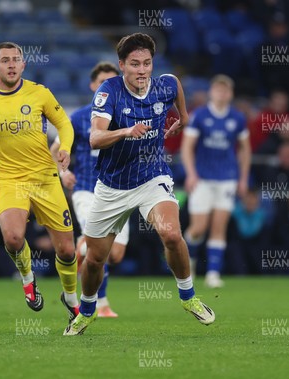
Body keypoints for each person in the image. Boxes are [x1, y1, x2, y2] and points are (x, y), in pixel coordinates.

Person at [64, 33, 215, 335]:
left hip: (152, 177)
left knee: (171, 234)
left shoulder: (165, 85)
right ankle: (88, 308)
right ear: (122, 65)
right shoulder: (109, 92)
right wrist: (125, 131)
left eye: (147, 63)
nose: (142, 70)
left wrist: (182, 118)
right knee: (95, 259)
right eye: (135, 64)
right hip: (112, 186)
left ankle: (188, 296)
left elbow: (176, 87)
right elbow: (95, 137)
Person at [0, 42, 79, 325]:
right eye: (5, 60)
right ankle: (28, 279)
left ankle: (71, 298)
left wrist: (66, 147)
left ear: (23, 65)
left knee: (66, 250)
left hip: (45, 179)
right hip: (9, 180)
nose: (11, 64)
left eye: (16, 60)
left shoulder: (40, 93)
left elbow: (64, 123)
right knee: (13, 238)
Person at [50, 61, 126, 318]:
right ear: (93, 85)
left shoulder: (127, 113)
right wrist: (62, 172)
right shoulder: (80, 117)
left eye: (112, 81)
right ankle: (98, 303)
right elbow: (56, 147)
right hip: (86, 188)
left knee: (115, 254)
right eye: (102, 82)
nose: (107, 86)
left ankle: (78, 252)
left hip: (120, 191)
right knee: (99, 246)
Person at [181, 74, 251, 288]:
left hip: (227, 179)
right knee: (199, 227)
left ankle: (213, 273)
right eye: (218, 89)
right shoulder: (199, 116)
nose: (222, 94)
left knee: (219, 226)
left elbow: (245, 149)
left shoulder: (237, 118)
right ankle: (188, 263)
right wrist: (191, 174)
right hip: (202, 179)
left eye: (226, 90)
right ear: (212, 92)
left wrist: (243, 178)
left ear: (230, 94)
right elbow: (187, 147)